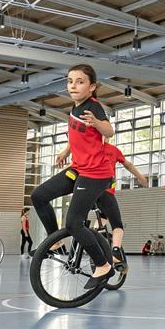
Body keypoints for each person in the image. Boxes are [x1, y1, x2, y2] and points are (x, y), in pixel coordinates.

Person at [29, 64, 116, 289]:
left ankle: (103, 265)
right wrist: (66, 151)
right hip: (78, 168)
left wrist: (97, 123)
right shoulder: (75, 107)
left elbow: (109, 131)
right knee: (38, 196)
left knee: (74, 223)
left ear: (92, 86)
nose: (73, 86)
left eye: (80, 81)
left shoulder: (93, 107)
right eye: (70, 81)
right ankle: (55, 242)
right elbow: (78, 134)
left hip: (95, 173)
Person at [95, 143, 148, 266]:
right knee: (117, 226)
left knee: (102, 216)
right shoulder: (113, 150)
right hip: (106, 191)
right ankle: (116, 253)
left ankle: (95, 235)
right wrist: (140, 176)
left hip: (89, 191)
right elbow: (128, 164)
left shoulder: (90, 146)